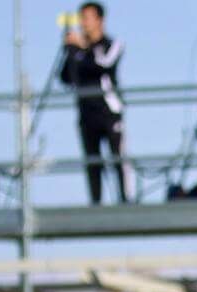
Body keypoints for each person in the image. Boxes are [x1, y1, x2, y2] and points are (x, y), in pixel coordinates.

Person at [60, 2, 132, 204]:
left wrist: (84, 48)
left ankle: (126, 199)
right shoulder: (78, 50)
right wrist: (71, 51)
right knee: (92, 161)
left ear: (99, 20)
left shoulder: (112, 44)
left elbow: (104, 64)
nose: (83, 23)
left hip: (109, 111)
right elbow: (65, 77)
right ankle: (95, 201)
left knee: (118, 158)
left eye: (87, 18)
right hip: (85, 112)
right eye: (81, 18)